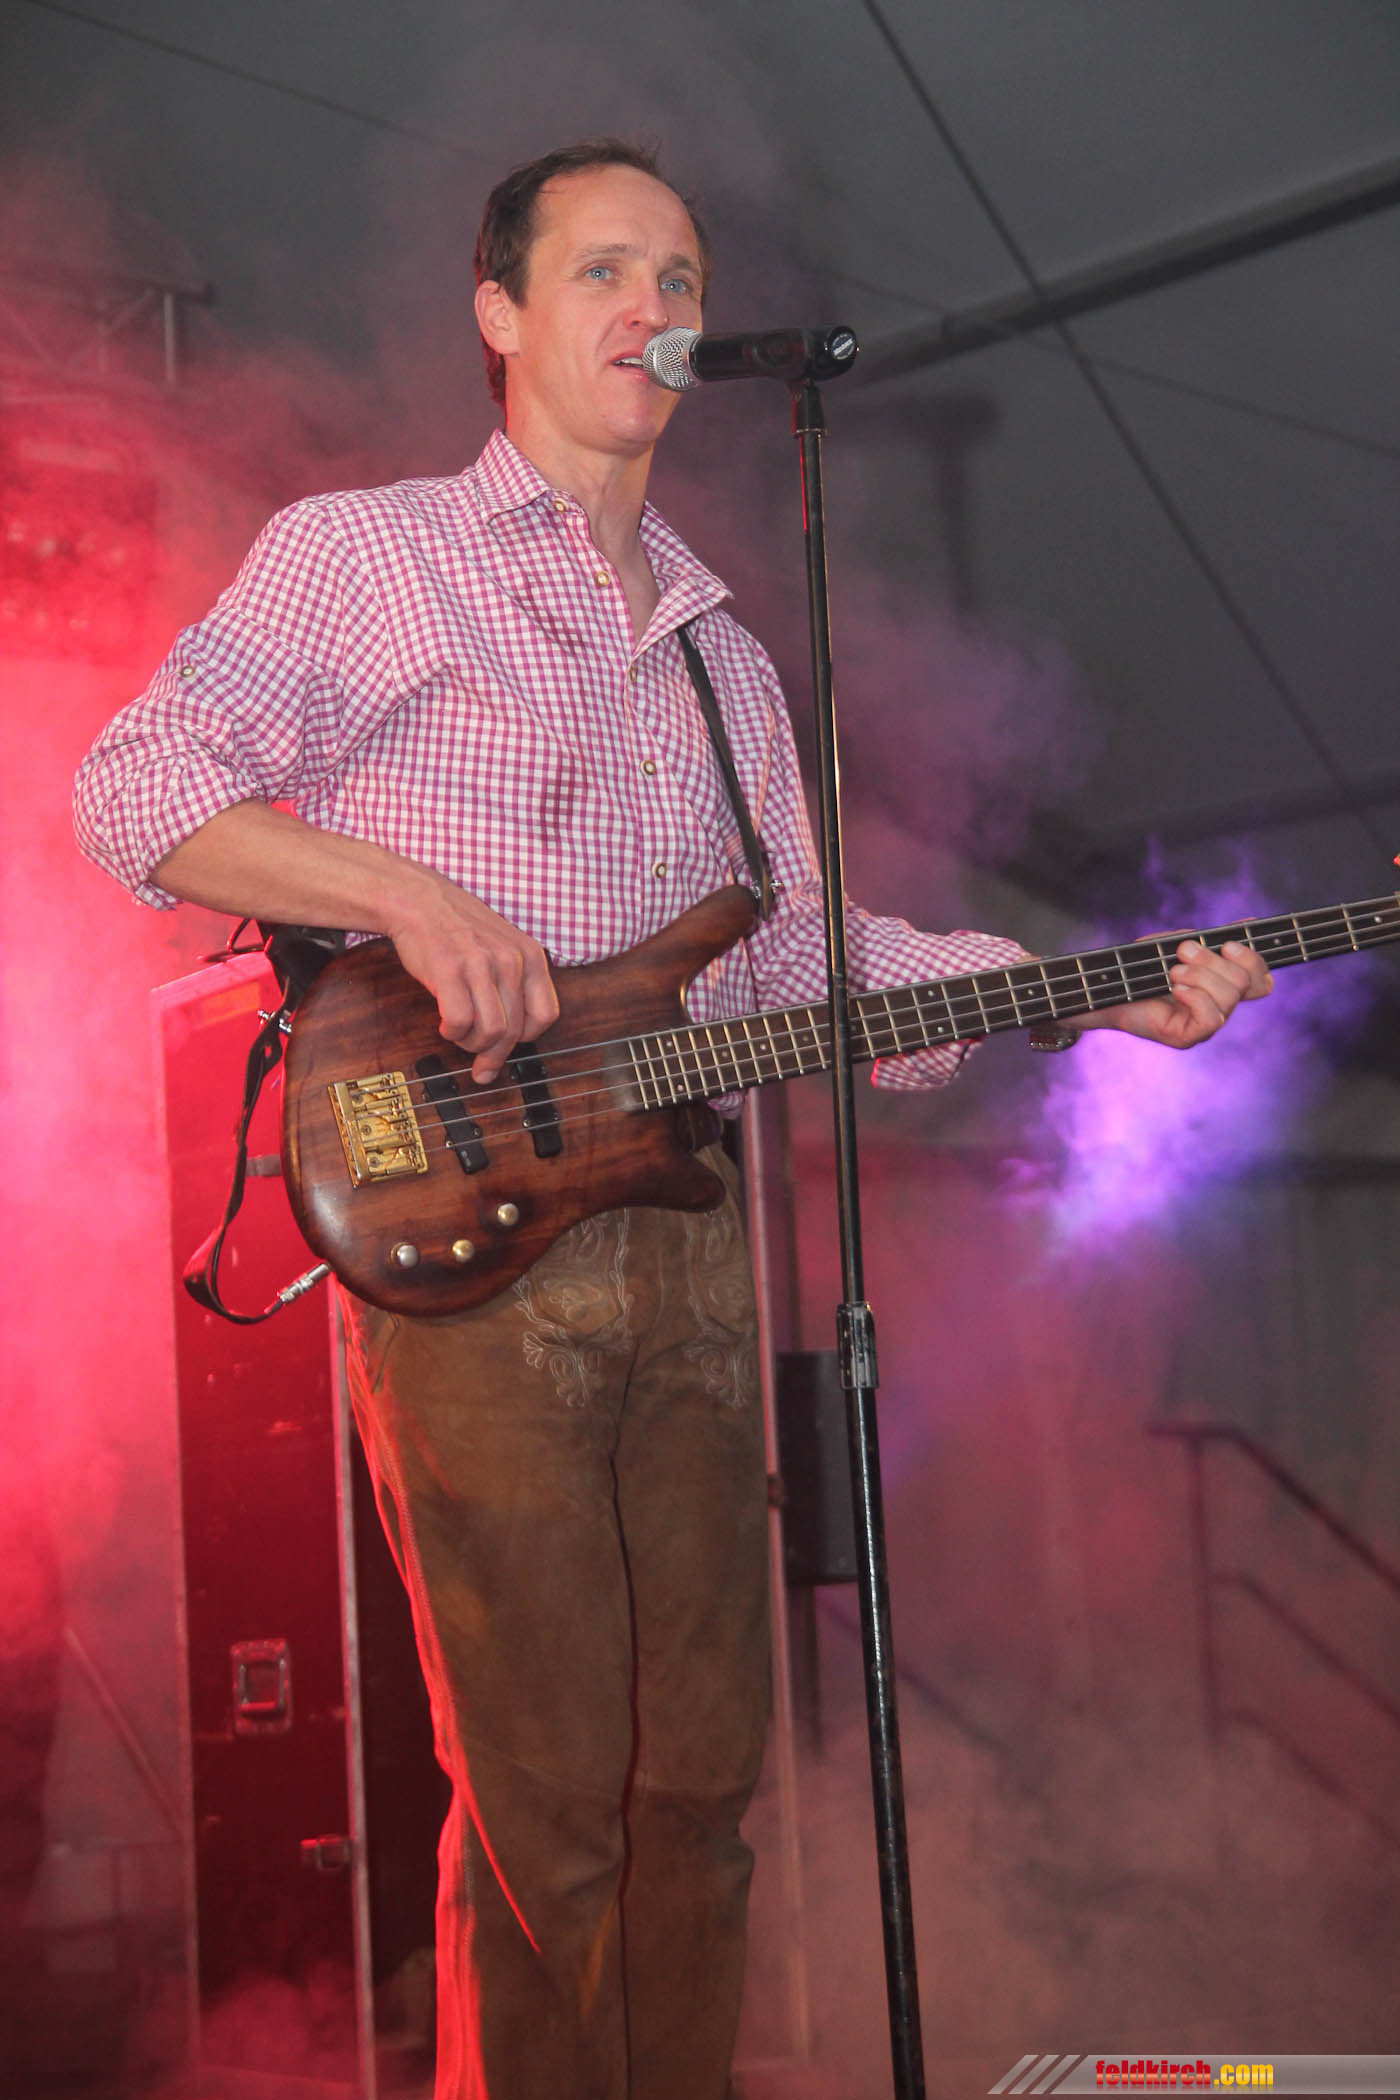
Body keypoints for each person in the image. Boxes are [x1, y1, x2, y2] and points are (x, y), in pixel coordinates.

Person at [73, 139, 1271, 2100]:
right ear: (499, 314)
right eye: (604, 270)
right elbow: (136, 787)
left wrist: (1084, 994)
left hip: (687, 1254)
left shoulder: (722, 650)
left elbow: (793, 954)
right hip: (473, 1245)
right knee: (548, 1808)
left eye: (683, 275)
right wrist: (404, 897)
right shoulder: (368, 556)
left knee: (697, 1804)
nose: (656, 307)